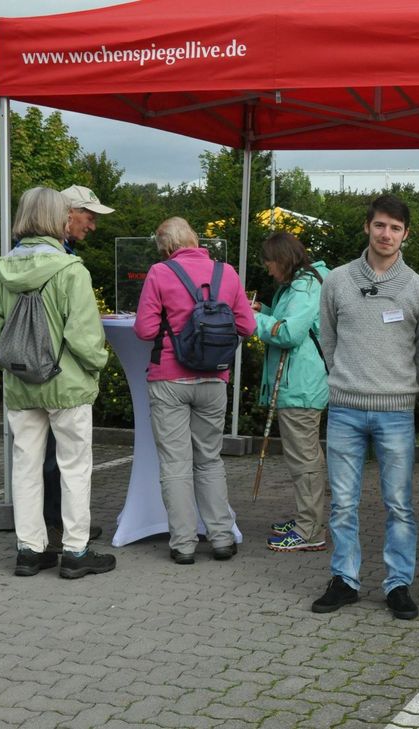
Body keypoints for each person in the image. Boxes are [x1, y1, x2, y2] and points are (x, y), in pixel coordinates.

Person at [310, 194, 419, 620]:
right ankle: (344, 581)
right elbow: (328, 338)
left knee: (399, 504)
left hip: (395, 411)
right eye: (380, 225)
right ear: (367, 226)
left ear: (406, 234)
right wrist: (344, 378)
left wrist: (402, 388)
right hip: (345, 408)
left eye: (395, 228)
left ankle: (398, 584)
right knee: (342, 503)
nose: (386, 234)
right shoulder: (337, 281)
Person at [0, 187, 113, 578]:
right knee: (74, 467)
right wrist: (99, 364)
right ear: (58, 218)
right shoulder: (71, 270)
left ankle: (29, 550)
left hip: (21, 383)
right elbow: (84, 337)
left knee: (25, 467)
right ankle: (75, 551)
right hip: (67, 384)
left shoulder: (4, 269)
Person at [133, 217, 256, 564]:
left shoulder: (160, 272)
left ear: (166, 248)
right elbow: (247, 326)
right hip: (214, 378)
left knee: (175, 463)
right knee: (210, 460)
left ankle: (184, 544)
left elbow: (144, 330)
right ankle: (221, 538)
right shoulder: (225, 272)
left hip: (169, 379)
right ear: (194, 239)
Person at [41, 184, 115, 552]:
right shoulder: (63, 262)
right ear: (68, 213)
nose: (93, 225)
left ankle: (53, 532)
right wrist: (99, 360)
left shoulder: (30, 254)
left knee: (46, 459)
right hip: (60, 375)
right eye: (89, 216)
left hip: (34, 372)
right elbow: (75, 330)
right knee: (63, 461)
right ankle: (62, 534)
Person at [252, 232, 331, 552]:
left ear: (283, 260)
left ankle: (309, 530)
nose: (269, 270)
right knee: (305, 457)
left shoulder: (304, 286)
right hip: (300, 383)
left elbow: (289, 332)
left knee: (304, 459)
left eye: (270, 263)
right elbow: (290, 320)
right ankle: (307, 520)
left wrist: (252, 317)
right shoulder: (302, 282)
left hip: (300, 386)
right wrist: (265, 309)